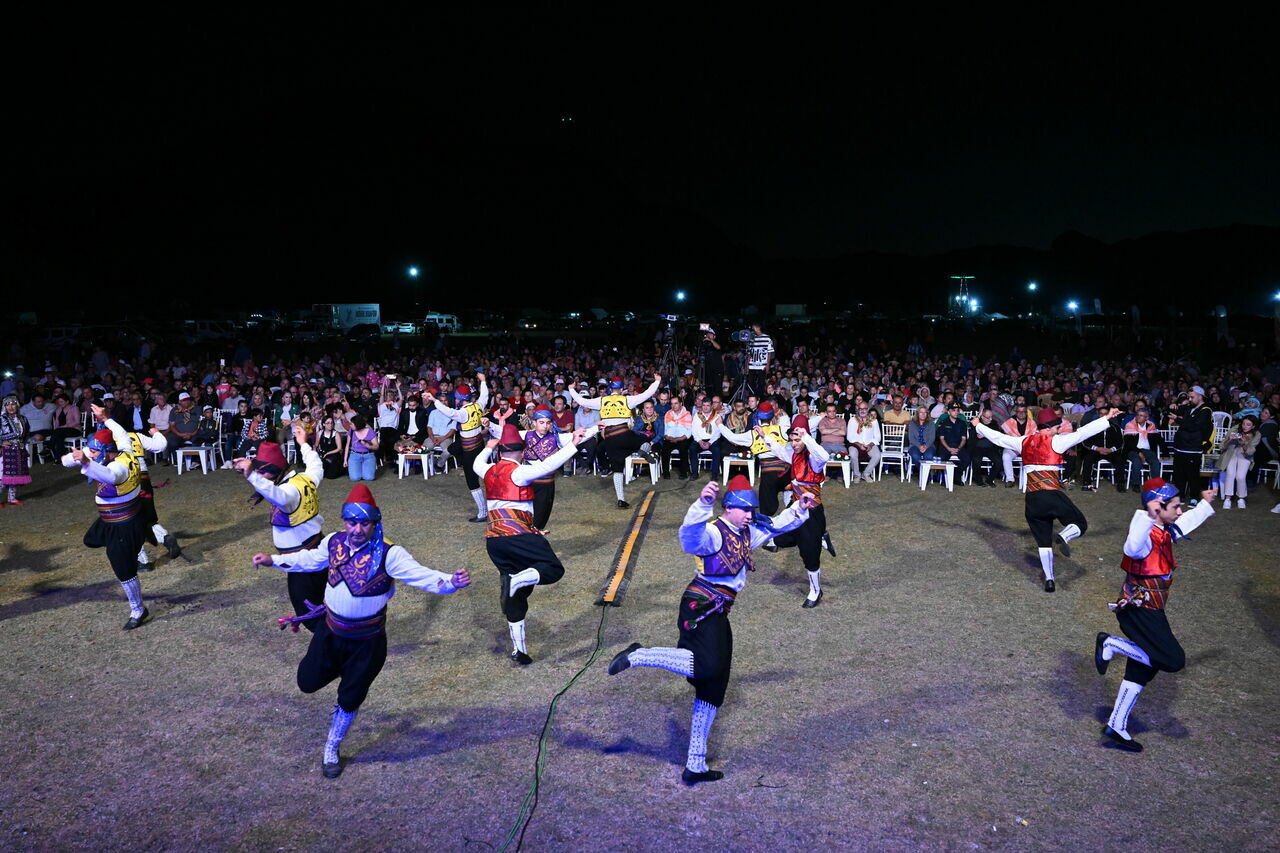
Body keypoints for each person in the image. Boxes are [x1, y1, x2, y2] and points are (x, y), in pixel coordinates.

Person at [252, 484, 471, 778]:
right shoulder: (333, 542)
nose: (356, 529)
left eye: (364, 523)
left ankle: (332, 746)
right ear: (344, 522)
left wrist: (451, 581)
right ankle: (346, 675)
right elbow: (308, 561)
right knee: (306, 682)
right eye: (351, 522)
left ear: (374, 523)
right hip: (329, 634)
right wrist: (273, 560)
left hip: (366, 643)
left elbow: (422, 576)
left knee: (349, 698)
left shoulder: (391, 554)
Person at [606, 477, 813, 784]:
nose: (748, 515)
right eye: (743, 510)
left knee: (713, 688)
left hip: (720, 611)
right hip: (701, 608)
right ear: (727, 509)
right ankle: (639, 655)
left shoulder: (746, 531)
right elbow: (688, 537)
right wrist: (702, 504)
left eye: (750, 510)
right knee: (706, 668)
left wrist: (799, 507)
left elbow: (777, 526)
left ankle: (696, 763)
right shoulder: (712, 533)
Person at [1093, 478, 1216, 752]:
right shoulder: (1145, 536)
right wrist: (1146, 515)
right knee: (1171, 660)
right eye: (1175, 506)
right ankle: (1111, 644)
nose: (1180, 511)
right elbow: (1131, 548)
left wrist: (1205, 505)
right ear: (1158, 509)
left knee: (1143, 668)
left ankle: (1117, 725)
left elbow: (1184, 524)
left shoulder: (1163, 530)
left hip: (1150, 609)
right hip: (1140, 611)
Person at [473, 414, 593, 664]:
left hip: (494, 542)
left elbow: (476, 464)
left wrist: (487, 448)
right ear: (522, 450)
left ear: (500, 450)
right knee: (553, 569)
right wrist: (573, 444)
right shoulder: (520, 473)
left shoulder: (487, 470)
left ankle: (520, 650)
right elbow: (548, 465)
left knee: (517, 599)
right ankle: (515, 579)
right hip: (517, 537)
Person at [975, 406, 1120, 592]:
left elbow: (999, 438)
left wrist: (979, 426)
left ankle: (1050, 579)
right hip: (1051, 494)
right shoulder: (1057, 442)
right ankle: (1063, 536)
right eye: (1057, 427)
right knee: (1080, 523)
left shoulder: (1023, 441)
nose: (1059, 430)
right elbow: (1083, 433)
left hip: (1032, 500)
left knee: (1043, 541)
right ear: (1050, 427)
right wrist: (1107, 418)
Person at [233, 425, 326, 631]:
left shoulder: (287, 492)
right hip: (315, 551)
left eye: (262, 472)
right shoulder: (305, 478)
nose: (259, 474)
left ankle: (333, 648)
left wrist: (251, 476)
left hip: (303, 563)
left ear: (274, 472)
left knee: (310, 616)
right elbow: (315, 464)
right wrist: (304, 444)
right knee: (320, 606)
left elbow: (278, 496)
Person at [61, 429, 150, 628]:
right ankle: (132, 550)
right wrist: (75, 457)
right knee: (90, 539)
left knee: (124, 571)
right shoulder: (124, 449)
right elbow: (65, 460)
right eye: (90, 452)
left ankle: (138, 610)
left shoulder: (119, 468)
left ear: (107, 451)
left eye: (94, 452)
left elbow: (110, 476)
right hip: (111, 521)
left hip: (123, 525)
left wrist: (85, 462)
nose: (90, 454)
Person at [95, 404, 183, 569]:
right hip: (143, 479)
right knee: (147, 517)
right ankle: (165, 538)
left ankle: (142, 561)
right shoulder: (136, 436)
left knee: (130, 521)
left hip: (125, 483)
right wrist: (156, 433)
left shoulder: (107, 439)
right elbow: (160, 446)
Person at [760, 425, 836, 607]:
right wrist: (765, 437)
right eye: (792, 440)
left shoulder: (814, 460)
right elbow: (778, 450)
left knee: (809, 554)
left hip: (812, 514)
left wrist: (806, 437)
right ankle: (821, 537)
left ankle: (815, 591)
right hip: (795, 508)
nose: (794, 444)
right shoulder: (793, 455)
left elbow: (825, 456)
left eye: (797, 440)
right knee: (779, 539)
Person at [568, 374, 661, 509]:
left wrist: (571, 389)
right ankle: (641, 451)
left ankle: (621, 499)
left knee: (617, 469)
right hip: (624, 434)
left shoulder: (601, 400)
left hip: (611, 438)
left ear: (610, 388)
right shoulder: (627, 400)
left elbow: (582, 402)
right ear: (622, 387)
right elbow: (647, 394)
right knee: (646, 438)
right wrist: (657, 381)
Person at [424, 374, 491, 522]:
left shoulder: (462, 413)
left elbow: (448, 411)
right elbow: (484, 395)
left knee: (472, 481)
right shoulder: (479, 405)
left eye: (456, 398)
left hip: (470, 450)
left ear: (460, 399)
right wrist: (483, 380)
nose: (455, 400)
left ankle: (483, 513)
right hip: (478, 444)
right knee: (454, 448)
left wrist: (434, 400)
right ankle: (462, 463)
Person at [719, 401, 789, 522]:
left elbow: (732, 437)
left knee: (767, 507)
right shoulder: (782, 429)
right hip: (785, 471)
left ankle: (768, 525)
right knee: (790, 493)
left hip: (768, 473)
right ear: (772, 416)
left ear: (758, 417)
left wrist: (720, 424)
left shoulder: (752, 434)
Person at [523, 407, 573, 531]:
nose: (545, 426)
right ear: (534, 423)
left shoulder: (556, 437)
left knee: (543, 511)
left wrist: (594, 429)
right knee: (526, 510)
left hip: (546, 481)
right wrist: (490, 424)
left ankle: (536, 532)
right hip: (529, 479)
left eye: (548, 423)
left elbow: (578, 436)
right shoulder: (525, 435)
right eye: (541, 422)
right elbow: (502, 432)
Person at [1168, 386, 1213, 498]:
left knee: (1193, 475)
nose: (1190, 399)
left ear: (1200, 396)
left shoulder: (1206, 410)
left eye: (1192, 397)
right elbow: (1171, 412)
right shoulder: (1188, 407)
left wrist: (1178, 419)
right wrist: (1172, 407)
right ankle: (1180, 496)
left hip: (1193, 448)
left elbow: (1194, 426)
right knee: (1179, 474)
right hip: (1180, 446)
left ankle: (1194, 497)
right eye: (1189, 397)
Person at [1216, 414, 1260, 509]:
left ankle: (1241, 498)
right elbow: (1221, 446)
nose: (1245, 426)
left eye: (1248, 424)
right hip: (1231, 453)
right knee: (1230, 475)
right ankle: (1228, 498)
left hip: (1245, 455)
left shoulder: (1256, 434)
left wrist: (1244, 443)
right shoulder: (1234, 429)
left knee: (1240, 477)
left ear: (1253, 426)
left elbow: (1250, 451)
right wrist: (1229, 439)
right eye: (1244, 423)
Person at [1122, 407, 1163, 493]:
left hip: (1147, 450)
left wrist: (1166, 453)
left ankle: (1156, 485)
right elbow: (1128, 444)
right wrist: (1139, 452)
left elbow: (1159, 440)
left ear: (1146, 418)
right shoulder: (1130, 425)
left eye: (1141, 416)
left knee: (1155, 461)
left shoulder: (1151, 426)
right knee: (1136, 460)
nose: (1138, 417)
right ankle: (1136, 484)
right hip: (1132, 450)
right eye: (1137, 415)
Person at [1, 395, 32, 506]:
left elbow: (27, 433)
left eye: (13, 404)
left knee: (14, 476)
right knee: (2, 476)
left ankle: (12, 498)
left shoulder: (23, 418)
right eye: (7, 404)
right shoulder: (2, 419)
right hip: (5, 450)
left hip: (19, 449)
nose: (10, 407)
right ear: (4, 407)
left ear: (17, 405)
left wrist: (24, 445)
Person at [999, 402, 1036, 487]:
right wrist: (1014, 447)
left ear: (1026, 413)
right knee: (1006, 456)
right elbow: (1006, 438)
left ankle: (1031, 479)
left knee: (1035, 455)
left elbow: (1033, 438)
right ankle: (1010, 479)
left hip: (1027, 447)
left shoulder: (1032, 423)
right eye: (1019, 411)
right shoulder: (1009, 422)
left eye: (1023, 411)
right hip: (1012, 447)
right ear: (1016, 412)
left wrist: (1023, 447)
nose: (1021, 413)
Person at [846, 401, 882, 483]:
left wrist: (870, 445)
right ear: (857, 409)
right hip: (855, 444)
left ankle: (866, 474)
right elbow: (849, 437)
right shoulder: (852, 420)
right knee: (852, 454)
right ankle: (857, 475)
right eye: (860, 409)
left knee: (877, 455)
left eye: (865, 409)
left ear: (868, 409)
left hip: (869, 444)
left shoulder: (873, 421)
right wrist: (859, 444)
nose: (862, 411)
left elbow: (878, 437)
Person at [661, 394, 694, 479]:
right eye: (672, 403)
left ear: (680, 404)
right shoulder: (668, 414)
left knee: (683, 450)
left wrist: (680, 438)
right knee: (664, 450)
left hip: (682, 438)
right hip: (670, 438)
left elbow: (690, 430)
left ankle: (683, 473)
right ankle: (666, 473)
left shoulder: (687, 414)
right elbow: (665, 428)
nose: (673, 405)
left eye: (676, 403)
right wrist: (667, 437)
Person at [969, 407, 1002, 486]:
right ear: (982, 417)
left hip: (990, 448)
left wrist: (985, 434)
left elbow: (996, 435)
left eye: (991, 416)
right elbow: (972, 437)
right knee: (976, 460)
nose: (990, 419)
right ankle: (978, 480)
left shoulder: (994, 423)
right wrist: (977, 436)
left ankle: (990, 480)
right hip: (977, 448)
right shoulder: (976, 423)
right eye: (988, 417)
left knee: (999, 461)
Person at [344, 414, 379, 481]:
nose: (350, 425)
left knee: (369, 477)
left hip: (368, 456)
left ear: (357, 424)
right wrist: (345, 460)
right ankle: (359, 469)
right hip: (354, 456)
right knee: (354, 478)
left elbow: (376, 446)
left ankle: (364, 469)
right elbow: (347, 445)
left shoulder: (370, 431)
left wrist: (368, 445)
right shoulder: (351, 431)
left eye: (352, 424)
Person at [905, 405, 937, 472]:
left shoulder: (931, 424)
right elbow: (911, 438)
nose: (923, 414)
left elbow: (932, 438)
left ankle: (926, 474)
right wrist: (919, 446)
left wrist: (925, 446)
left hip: (929, 445)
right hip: (915, 445)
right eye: (921, 412)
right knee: (915, 455)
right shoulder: (912, 424)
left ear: (927, 414)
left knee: (929, 455)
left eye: (925, 412)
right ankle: (923, 472)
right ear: (917, 414)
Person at [315, 414, 347, 480]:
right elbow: (316, 445)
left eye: (332, 423)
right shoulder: (320, 433)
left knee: (331, 476)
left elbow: (339, 448)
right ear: (323, 424)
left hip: (334, 455)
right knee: (321, 475)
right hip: (323, 455)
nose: (330, 425)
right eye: (328, 423)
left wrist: (328, 453)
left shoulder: (336, 433)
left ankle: (342, 469)